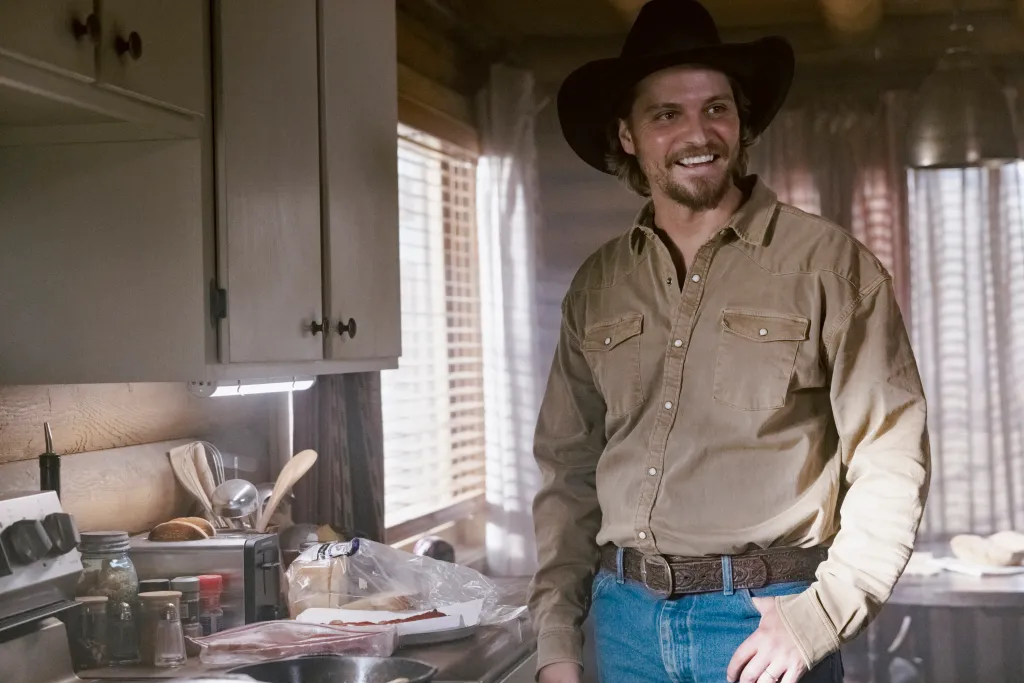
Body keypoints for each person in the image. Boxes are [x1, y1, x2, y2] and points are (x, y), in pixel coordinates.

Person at [528, 1, 931, 682]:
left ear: (741, 124)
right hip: (624, 626)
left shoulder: (832, 267)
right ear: (628, 135)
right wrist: (556, 640)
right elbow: (566, 474)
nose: (698, 132)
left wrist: (818, 618)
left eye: (716, 108)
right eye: (667, 114)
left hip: (766, 623)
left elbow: (891, 457)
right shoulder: (598, 285)